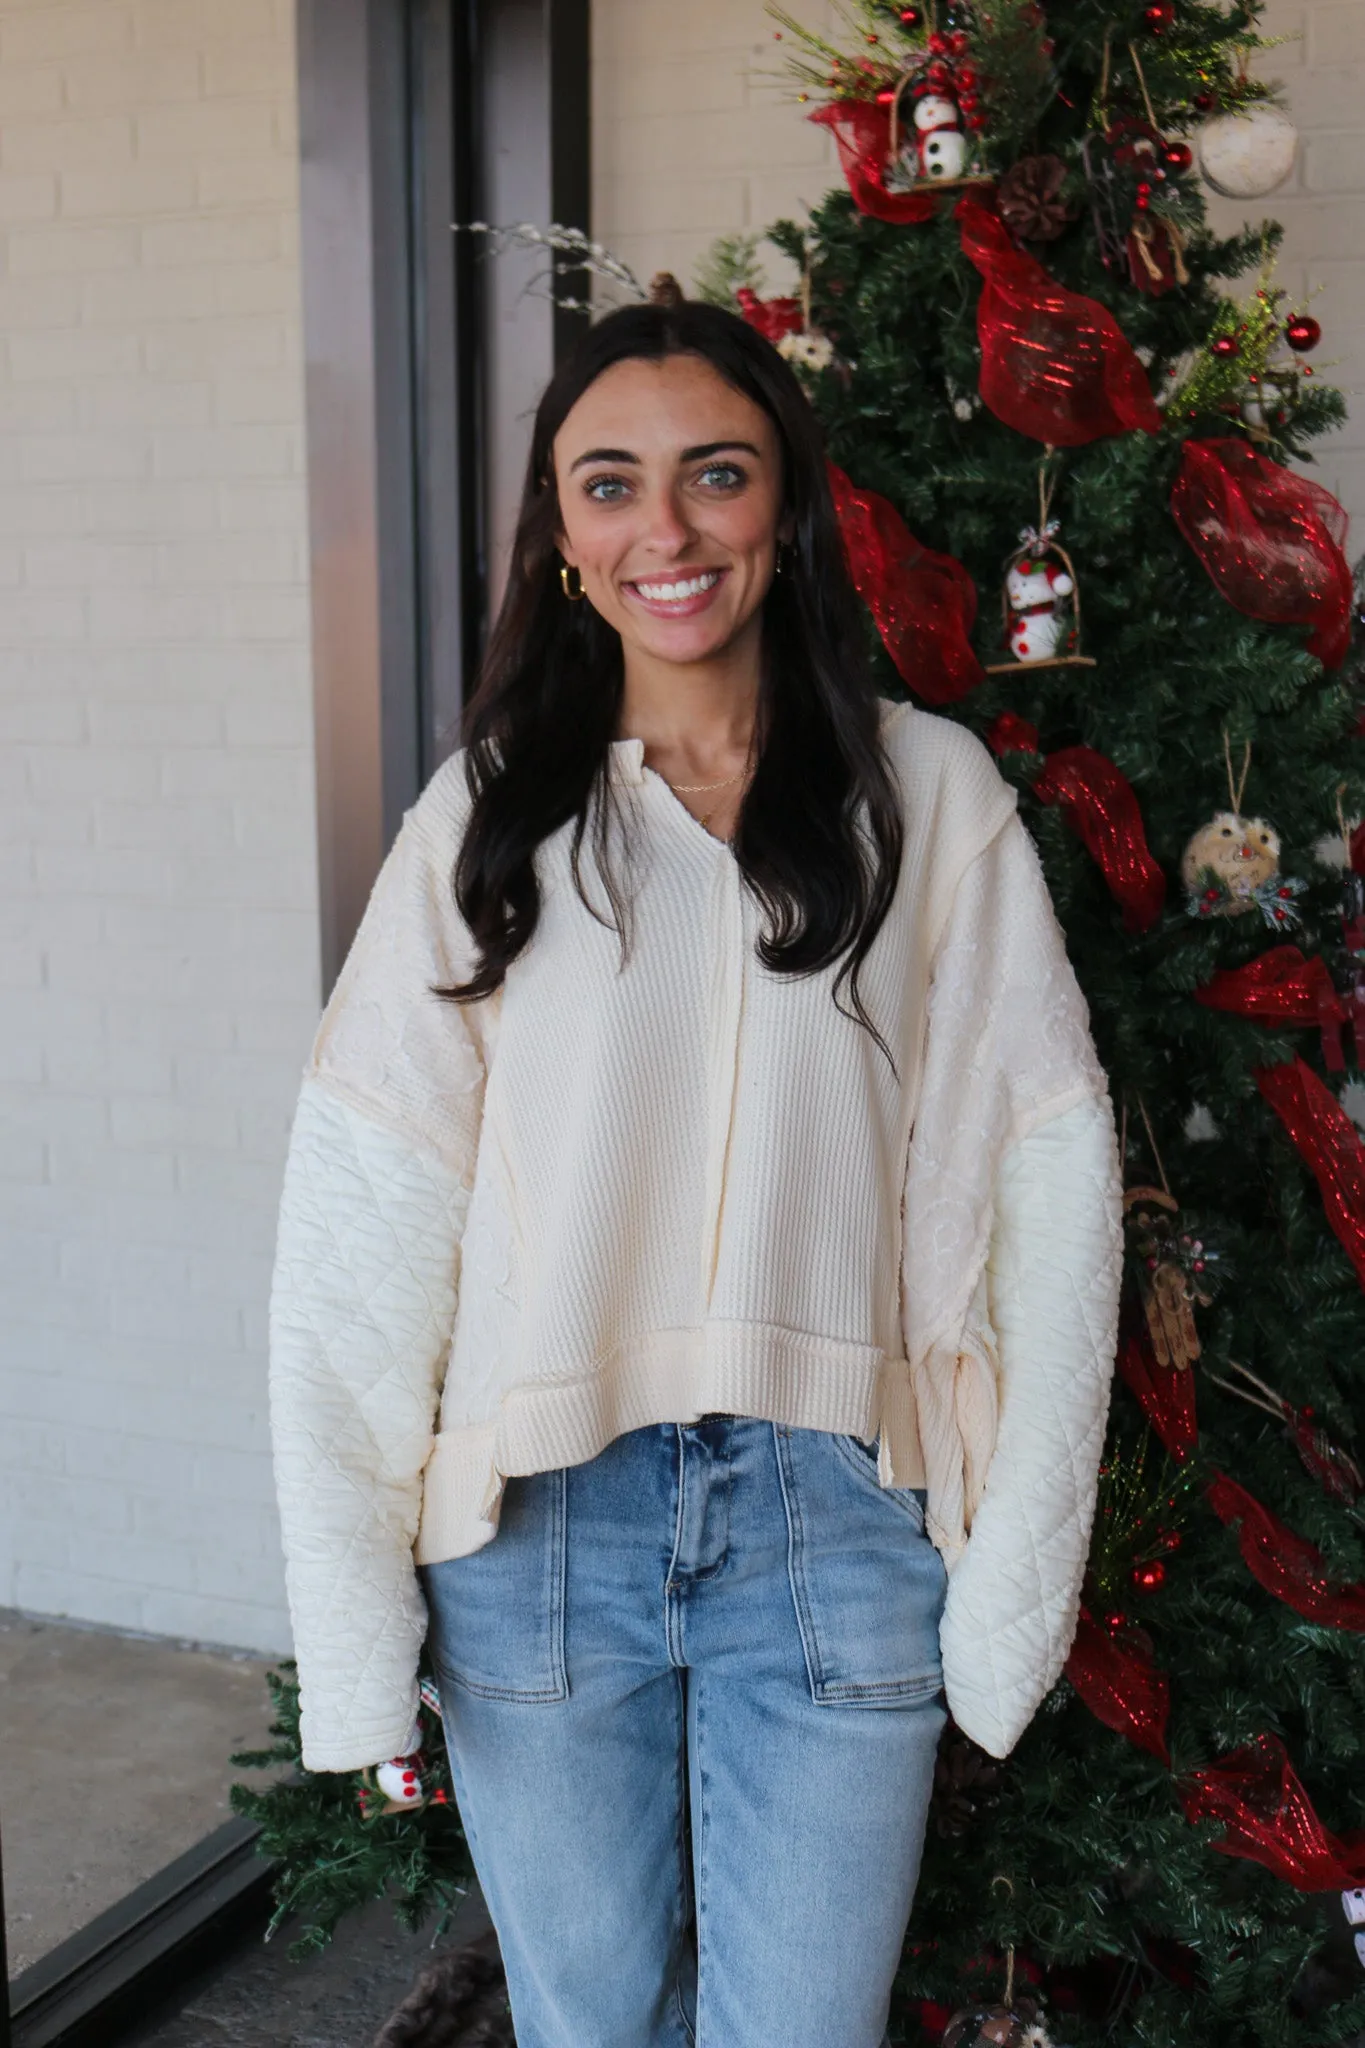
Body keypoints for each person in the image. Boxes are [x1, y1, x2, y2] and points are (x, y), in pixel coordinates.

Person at [268, 285, 1123, 2048]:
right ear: (562, 534)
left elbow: (1051, 1187)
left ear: (785, 506)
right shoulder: (488, 815)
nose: (664, 527)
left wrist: (1016, 1573)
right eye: (609, 483)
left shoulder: (928, 798)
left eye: (714, 474)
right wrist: (356, 1637)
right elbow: (365, 1220)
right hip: (538, 1527)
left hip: (836, 1523)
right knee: (588, 2031)